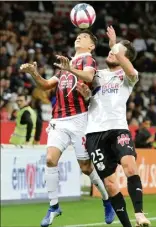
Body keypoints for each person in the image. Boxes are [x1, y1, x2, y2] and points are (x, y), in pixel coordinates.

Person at [20, 30, 115, 227]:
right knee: (49, 159)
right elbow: (46, 85)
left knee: (86, 168)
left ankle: (107, 199)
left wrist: (70, 69)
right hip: (59, 120)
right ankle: (54, 206)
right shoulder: (66, 63)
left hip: (79, 120)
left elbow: (89, 76)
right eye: (78, 36)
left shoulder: (88, 60)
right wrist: (33, 73)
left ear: (91, 46)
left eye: (84, 37)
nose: (78, 37)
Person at [77, 26, 151, 227]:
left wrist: (114, 45)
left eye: (116, 52)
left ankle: (140, 214)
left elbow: (129, 68)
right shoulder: (97, 75)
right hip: (94, 135)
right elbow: (86, 97)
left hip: (118, 128)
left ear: (124, 58)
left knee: (129, 165)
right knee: (110, 184)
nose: (111, 52)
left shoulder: (128, 77)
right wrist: (85, 94)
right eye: (110, 50)